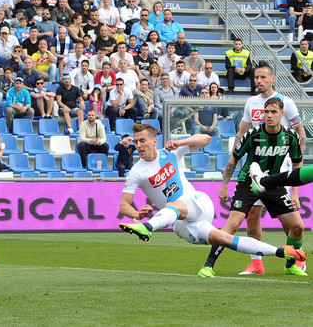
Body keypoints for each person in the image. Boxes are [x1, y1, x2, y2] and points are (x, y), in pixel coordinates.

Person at [118, 124, 306, 271]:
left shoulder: (171, 152)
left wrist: (181, 142)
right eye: (136, 142)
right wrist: (137, 213)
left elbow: (206, 139)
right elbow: (123, 206)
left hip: (197, 202)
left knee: (176, 203)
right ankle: (281, 252)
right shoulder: (137, 172)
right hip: (181, 224)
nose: (139, 145)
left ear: (154, 141)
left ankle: (148, 227)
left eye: (142, 140)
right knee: (224, 238)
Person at [198, 97, 306, 278]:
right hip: (247, 182)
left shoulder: (290, 137)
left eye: (273, 112)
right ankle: (208, 265)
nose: (269, 116)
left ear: (282, 114)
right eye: (266, 112)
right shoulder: (253, 134)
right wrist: (224, 186)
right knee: (232, 224)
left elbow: (297, 164)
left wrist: (294, 193)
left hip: (273, 183)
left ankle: (290, 264)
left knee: (297, 226)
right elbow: (234, 159)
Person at [226, 62, 307, 275]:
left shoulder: (286, 102)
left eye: (263, 77)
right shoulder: (251, 102)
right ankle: (256, 263)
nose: (259, 81)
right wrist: (233, 158)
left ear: (272, 79)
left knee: (288, 222)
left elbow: (301, 134)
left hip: (280, 171)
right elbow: (241, 133)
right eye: (256, 78)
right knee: (252, 215)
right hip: (254, 172)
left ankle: (296, 258)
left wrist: (295, 179)